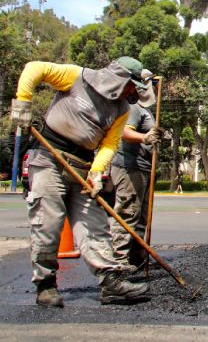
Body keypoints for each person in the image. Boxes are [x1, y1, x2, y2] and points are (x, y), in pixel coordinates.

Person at [10, 57, 152, 307]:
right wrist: (23, 101)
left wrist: (96, 172)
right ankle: (46, 286)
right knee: (48, 223)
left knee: (95, 225)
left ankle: (111, 283)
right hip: (48, 159)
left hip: (83, 167)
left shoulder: (121, 110)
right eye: (133, 86)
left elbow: (109, 144)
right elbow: (34, 68)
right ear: (120, 80)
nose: (134, 92)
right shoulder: (77, 77)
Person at [108, 73, 164, 274]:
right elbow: (125, 132)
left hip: (143, 167)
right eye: (153, 86)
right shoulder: (133, 108)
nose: (156, 90)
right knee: (127, 214)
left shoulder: (146, 110)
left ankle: (138, 258)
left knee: (141, 217)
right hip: (129, 167)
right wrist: (145, 137)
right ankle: (119, 262)